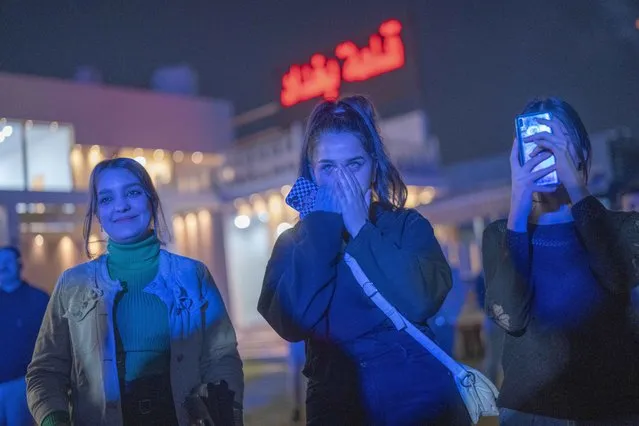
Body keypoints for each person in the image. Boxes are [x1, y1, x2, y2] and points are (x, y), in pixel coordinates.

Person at [258, 95, 469, 425]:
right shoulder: (296, 241)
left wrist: (360, 229)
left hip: (419, 403)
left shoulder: (406, 226)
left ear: (373, 166)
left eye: (354, 165)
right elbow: (291, 321)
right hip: (338, 407)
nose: (341, 180)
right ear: (312, 174)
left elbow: (421, 301)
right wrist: (322, 227)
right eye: (328, 167)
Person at [26, 158, 244, 426]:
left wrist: (226, 415)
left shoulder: (192, 275)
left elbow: (221, 357)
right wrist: (54, 420)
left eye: (132, 192)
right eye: (106, 199)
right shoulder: (73, 283)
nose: (121, 206)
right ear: (97, 214)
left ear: (151, 200)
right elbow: (45, 371)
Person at [482, 97, 639, 425]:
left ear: (580, 150)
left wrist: (578, 191)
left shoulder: (623, 227)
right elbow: (510, 317)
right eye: (534, 143)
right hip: (532, 412)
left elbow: (618, 279)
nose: (545, 151)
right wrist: (518, 205)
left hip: (613, 406)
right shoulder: (503, 234)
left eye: (555, 139)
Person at [0, 246, 48, 426]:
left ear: (20, 265)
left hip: (22, 385)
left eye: (7, 262)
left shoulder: (38, 299)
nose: (2, 267)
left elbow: (51, 341)